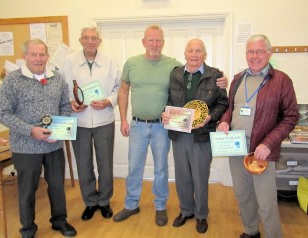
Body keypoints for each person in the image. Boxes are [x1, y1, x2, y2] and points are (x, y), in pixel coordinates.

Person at [113, 25, 228, 226]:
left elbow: (221, 99)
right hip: (153, 127)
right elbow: (126, 92)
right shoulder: (145, 66)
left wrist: (221, 85)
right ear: (143, 42)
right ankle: (137, 205)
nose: (154, 44)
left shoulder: (191, 70)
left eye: (158, 40)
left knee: (169, 170)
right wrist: (123, 118)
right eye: (151, 40)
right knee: (143, 169)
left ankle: (178, 211)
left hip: (178, 130)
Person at [217, 34, 299, 238]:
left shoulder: (281, 80)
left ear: (269, 53)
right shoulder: (238, 79)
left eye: (259, 51)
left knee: (266, 202)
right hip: (236, 148)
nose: (254, 56)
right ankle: (251, 231)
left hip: (261, 152)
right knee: (243, 195)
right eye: (250, 51)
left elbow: (291, 117)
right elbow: (231, 108)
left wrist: (268, 144)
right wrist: (224, 121)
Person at [0, 39, 76, 238]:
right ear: (25, 56)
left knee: (57, 185)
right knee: (27, 190)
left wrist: (57, 132)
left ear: (47, 57)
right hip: (25, 147)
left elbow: (65, 108)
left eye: (42, 54)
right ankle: (28, 229)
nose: (38, 58)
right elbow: (1, 113)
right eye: (34, 54)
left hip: (53, 145)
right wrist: (30, 130)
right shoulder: (13, 80)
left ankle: (59, 221)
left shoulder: (57, 79)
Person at [162, 38, 228, 233]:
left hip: (202, 135)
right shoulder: (174, 74)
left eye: (198, 50)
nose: (194, 54)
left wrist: (210, 117)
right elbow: (168, 100)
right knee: (182, 175)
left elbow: (223, 103)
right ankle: (186, 211)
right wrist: (166, 113)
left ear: (204, 54)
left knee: (200, 176)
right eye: (190, 50)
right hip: (179, 132)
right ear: (185, 53)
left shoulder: (215, 75)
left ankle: (201, 215)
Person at [61, 26, 120, 221]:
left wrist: (108, 101)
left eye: (94, 38)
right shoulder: (69, 62)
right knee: (84, 164)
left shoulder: (110, 62)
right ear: (80, 40)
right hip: (79, 121)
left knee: (105, 163)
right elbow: (62, 89)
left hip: (104, 119)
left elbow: (119, 87)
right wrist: (70, 103)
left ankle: (104, 201)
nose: (90, 41)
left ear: (99, 41)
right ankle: (90, 202)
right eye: (86, 38)